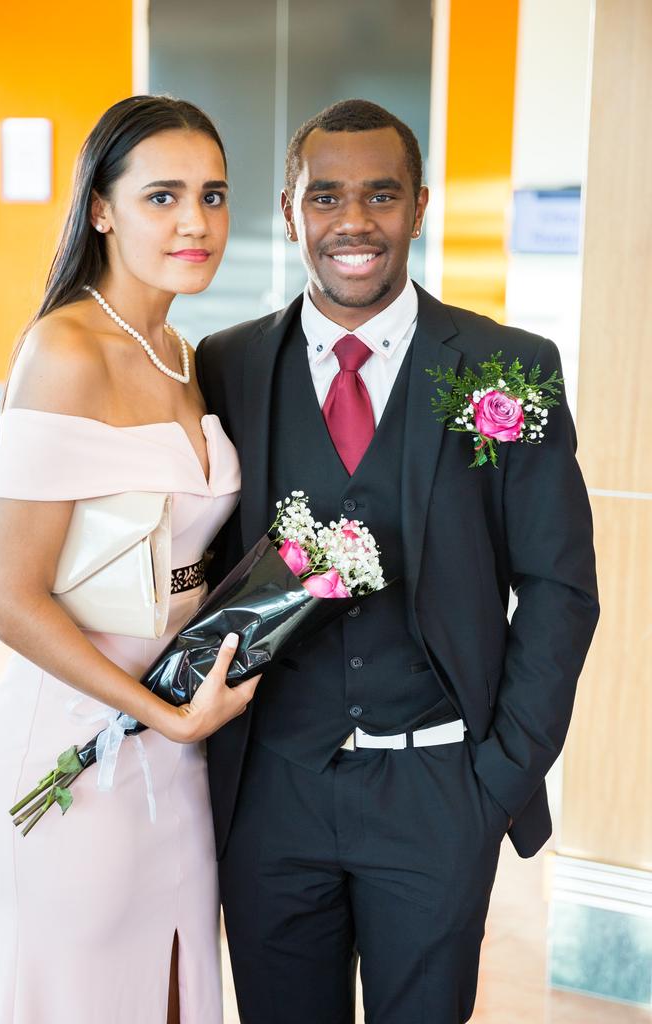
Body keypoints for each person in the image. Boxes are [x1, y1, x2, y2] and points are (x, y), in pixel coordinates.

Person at [196, 99, 599, 1024]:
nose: (354, 223)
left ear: (420, 206)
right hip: (272, 791)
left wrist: (496, 779)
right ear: (292, 208)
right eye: (326, 196)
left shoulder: (507, 366)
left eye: (381, 195)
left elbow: (559, 589)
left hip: (440, 788)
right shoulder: (225, 365)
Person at [0, 96, 258, 1024]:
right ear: (101, 207)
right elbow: (9, 599)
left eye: (213, 196)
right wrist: (162, 719)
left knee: (175, 996)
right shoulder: (64, 349)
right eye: (162, 196)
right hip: (73, 746)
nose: (195, 222)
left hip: (179, 745)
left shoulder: (182, 353)